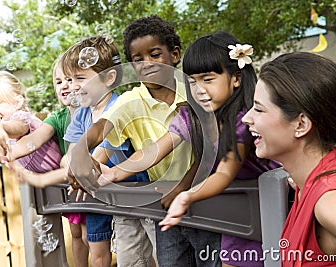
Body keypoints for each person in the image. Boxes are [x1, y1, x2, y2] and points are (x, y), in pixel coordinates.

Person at [100, 32, 281, 267]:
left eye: (208, 79)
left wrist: (187, 194)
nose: (200, 89)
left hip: (268, 207)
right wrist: (116, 172)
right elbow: (156, 150)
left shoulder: (243, 120)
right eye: (193, 82)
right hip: (235, 216)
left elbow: (224, 172)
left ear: (235, 78)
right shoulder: (192, 116)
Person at [65, 15, 199, 267]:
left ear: (175, 54)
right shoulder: (130, 101)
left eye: (155, 54)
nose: (147, 63)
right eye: (138, 60)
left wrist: (184, 185)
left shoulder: (195, 91)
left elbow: (210, 147)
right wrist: (80, 153)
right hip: (164, 203)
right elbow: (99, 128)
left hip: (208, 196)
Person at [242, 52, 336, 266]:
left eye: (259, 109)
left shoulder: (330, 203)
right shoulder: (307, 182)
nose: (246, 118)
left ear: (301, 125)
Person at [60, 35, 149, 267]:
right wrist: (72, 166)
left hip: (131, 191)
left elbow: (102, 155)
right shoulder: (81, 114)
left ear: (109, 78)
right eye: (69, 79)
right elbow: (70, 155)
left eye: (80, 78)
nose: (73, 86)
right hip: (98, 191)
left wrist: (78, 168)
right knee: (97, 250)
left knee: (141, 250)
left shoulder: (119, 106)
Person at [6, 55, 89, 267]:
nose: (64, 86)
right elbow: (34, 139)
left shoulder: (93, 114)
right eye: (59, 81)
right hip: (72, 186)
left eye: (70, 80)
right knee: (76, 233)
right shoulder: (58, 117)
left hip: (90, 184)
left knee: (92, 236)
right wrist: (10, 154)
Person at [0, 70, 62, 175]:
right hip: (48, 181)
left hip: (67, 177)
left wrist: (0, 127)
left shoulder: (22, 118)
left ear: (18, 102)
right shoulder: (5, 132)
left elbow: (18, 127)